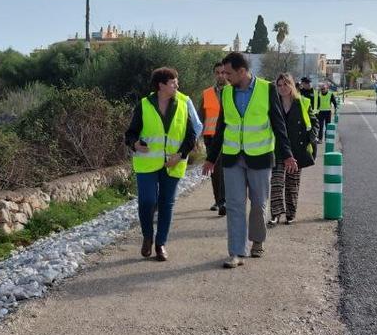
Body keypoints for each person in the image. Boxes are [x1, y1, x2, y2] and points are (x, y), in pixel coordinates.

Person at [202, 52, 297, 269]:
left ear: (242, 71)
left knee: (258, 204)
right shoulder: (226, 92)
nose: (224, 76)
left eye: (228, 72)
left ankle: (257, 241)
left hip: (261, 157)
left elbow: (278, 123)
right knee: (235, 205)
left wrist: (288, 154)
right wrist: (210, 158)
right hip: (233, 157)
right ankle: (236, 252)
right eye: (223, 72)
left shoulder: (267, 89)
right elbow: (221, 127)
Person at [124, 66, 198, 262]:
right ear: (161, 85)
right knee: (147, 202)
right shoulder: (144, 105)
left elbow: (191, 136)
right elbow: (130, 133)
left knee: (166, 204)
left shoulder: (182, 104)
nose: (177, 85)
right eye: (173, 82)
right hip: (147, 164)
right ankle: (148, 236)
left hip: (173, 164)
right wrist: (135, 144)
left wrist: (181, 154)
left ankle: (161, 244)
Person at [269, 73, 316, 225]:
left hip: (297, 149)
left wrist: (311, 137)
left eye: (285, 84)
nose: (282, 88)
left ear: (292, 85)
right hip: (278, 149)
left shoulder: (302, 102)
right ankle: (275, 214)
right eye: (279, 85)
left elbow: (313, 123)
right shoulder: (273, 103)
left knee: (292, 183)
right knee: (276, 182)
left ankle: (290, 214)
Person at [200, 62, 228, 216]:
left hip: (229, 137)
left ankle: (224, 201)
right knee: (215, 171)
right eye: (217, 72)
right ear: (214, 74)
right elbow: (200, 117)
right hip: (211, 137)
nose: (221, 75)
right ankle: (219, 200)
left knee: (225, 169)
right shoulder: (207, 94)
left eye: (223, 72)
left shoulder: (233, 91)